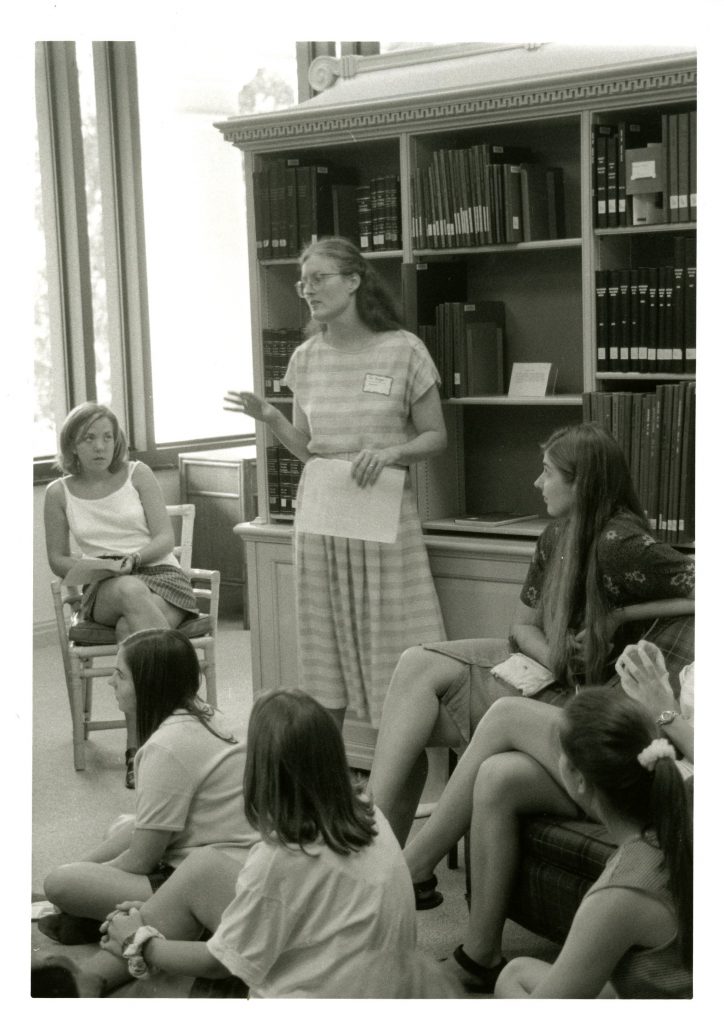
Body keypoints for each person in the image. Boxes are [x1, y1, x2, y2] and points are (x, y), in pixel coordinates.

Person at [369, 421, 695, 847]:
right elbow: (521, 625)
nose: (537, 482)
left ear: (582, 484)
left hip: (586, 694)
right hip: (549, 666)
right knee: (414, 670)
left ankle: (379, 861)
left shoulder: (619, 543)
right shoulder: (555, 535)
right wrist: (555, 652)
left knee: (411, 712)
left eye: (547, 472)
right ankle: (381, 852)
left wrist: (616, 616)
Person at [59, 690, 461, 999]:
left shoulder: (281, 857)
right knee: (202, 867)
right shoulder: (364, 810)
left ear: (260, 773)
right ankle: (95, 973)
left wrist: (141, 943)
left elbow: (219, 963)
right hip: (374, 985)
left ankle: (102, 966)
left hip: (316, 997)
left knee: (160, 984)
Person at [224, 237, 446, 730]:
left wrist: (392, 451)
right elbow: (309, 449)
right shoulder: (305, 358)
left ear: (354, 280)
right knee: (325, 652)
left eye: (319, 278)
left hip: (383, 514)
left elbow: (436, 436)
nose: (307, 290)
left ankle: (400, 764)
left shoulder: (404, 350)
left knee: (393, 643)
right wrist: (269, 417)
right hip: (323, 517)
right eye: (304, 282)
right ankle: (333, 776)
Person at [402, 638, 695, 991]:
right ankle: (479, 956)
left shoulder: (619, 892)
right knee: (499, 776)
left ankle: (406, 873)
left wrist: (665, 712)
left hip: (690, 784)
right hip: (671, 760)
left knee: (506, 714)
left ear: (578, 779)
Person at [40, 629, 259, 946]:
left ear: (148, 685)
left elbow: (140, 860)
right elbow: (150, 828)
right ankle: (112, 916)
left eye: (120, 675)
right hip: (233, 859)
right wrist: (88, 867)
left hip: (209, 880)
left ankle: (154, 919)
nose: (110, 683)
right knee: (121, 826)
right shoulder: (207, 715)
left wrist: (80, 877)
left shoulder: (167, 747)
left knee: (60, 884)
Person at [494, 687, 693, 998]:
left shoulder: (617, 896)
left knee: (514, 987)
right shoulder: (685, 813)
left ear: (579, 779)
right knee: (514, 973)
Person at [44, 402, 199, 786]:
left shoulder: (138, 473)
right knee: (129, 591)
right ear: (72, 446)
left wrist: (134, 558)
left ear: (118, 441)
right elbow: (58, 560)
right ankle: (185, 708)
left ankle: (139, 748)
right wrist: (103, 567)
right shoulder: (58, 492)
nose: (100, 446)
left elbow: (164, 538)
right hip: (105, 585)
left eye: (108, 437)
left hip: (160, 573)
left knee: (132, 627)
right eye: (89, 438)